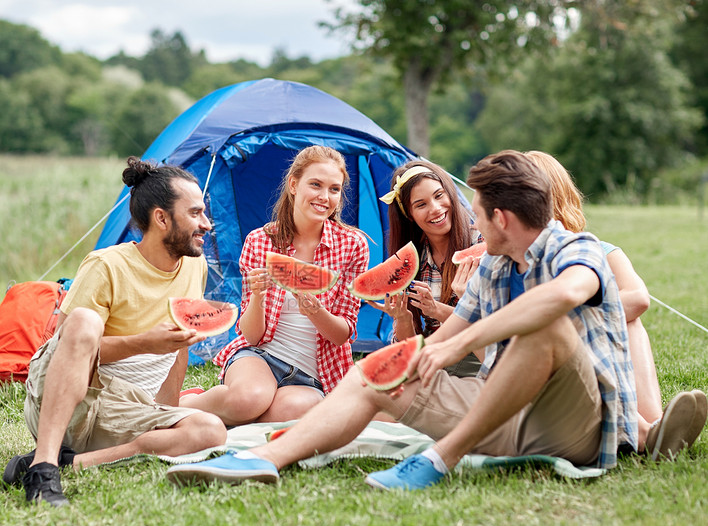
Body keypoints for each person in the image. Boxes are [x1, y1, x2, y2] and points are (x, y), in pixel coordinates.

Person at [166, 150, 639, 491]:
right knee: (381, 367)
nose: (466, 221)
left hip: (574, 423)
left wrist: (455, 346)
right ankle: (263, 460)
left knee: (548, 325)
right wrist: (399, 358)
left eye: (473, 212)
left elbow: (564, 295)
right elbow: (442, 340)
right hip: (505, 418)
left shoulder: (576, 249)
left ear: (502, 217)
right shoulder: (493, 267)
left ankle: (441, 457)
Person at [3, 157, 227, 507]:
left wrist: (163, 414)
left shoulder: (194, 265)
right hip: (69, 404)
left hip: (122, 411)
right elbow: (69, 346)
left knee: (210, 430)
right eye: (195, 213)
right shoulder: (107, 265)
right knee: (85, 321)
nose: (207, 224)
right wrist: (143, 343)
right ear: (162, 218)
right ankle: (44, 466)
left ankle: (72, 463)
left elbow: (178, 348)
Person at [525, 150, 707, 459]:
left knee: (629, 320)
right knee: (576, 330)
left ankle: (651, 425)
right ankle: (648, 434)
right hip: (550, 369)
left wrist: (586, 314)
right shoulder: (516, 262)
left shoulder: (597, 248)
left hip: (596, 351)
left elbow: (638, 298)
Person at [179, 145, 369, 426]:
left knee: (287, 413)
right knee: (249, 399)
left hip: (315, 373)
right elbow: (252, 336)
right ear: (293, 184)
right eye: (315, 184)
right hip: (260, 355)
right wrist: (257, 295)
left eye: (334, 189)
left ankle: (234, 412)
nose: (324, 197)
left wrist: (316, 311)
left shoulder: (353, 245)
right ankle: (184, 404)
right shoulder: (260, 241)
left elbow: (343, 335)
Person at [376, 159, 485, 377]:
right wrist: (403, 318)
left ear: (450, 194)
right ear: (409, 215)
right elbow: (411, 345)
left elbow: (492, 326)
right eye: (421, 204)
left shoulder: (482, 246)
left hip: (478, 360)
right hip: (434, 359)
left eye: (439, 196)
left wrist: (435, 309)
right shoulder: (412, 260)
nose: (435, 209)